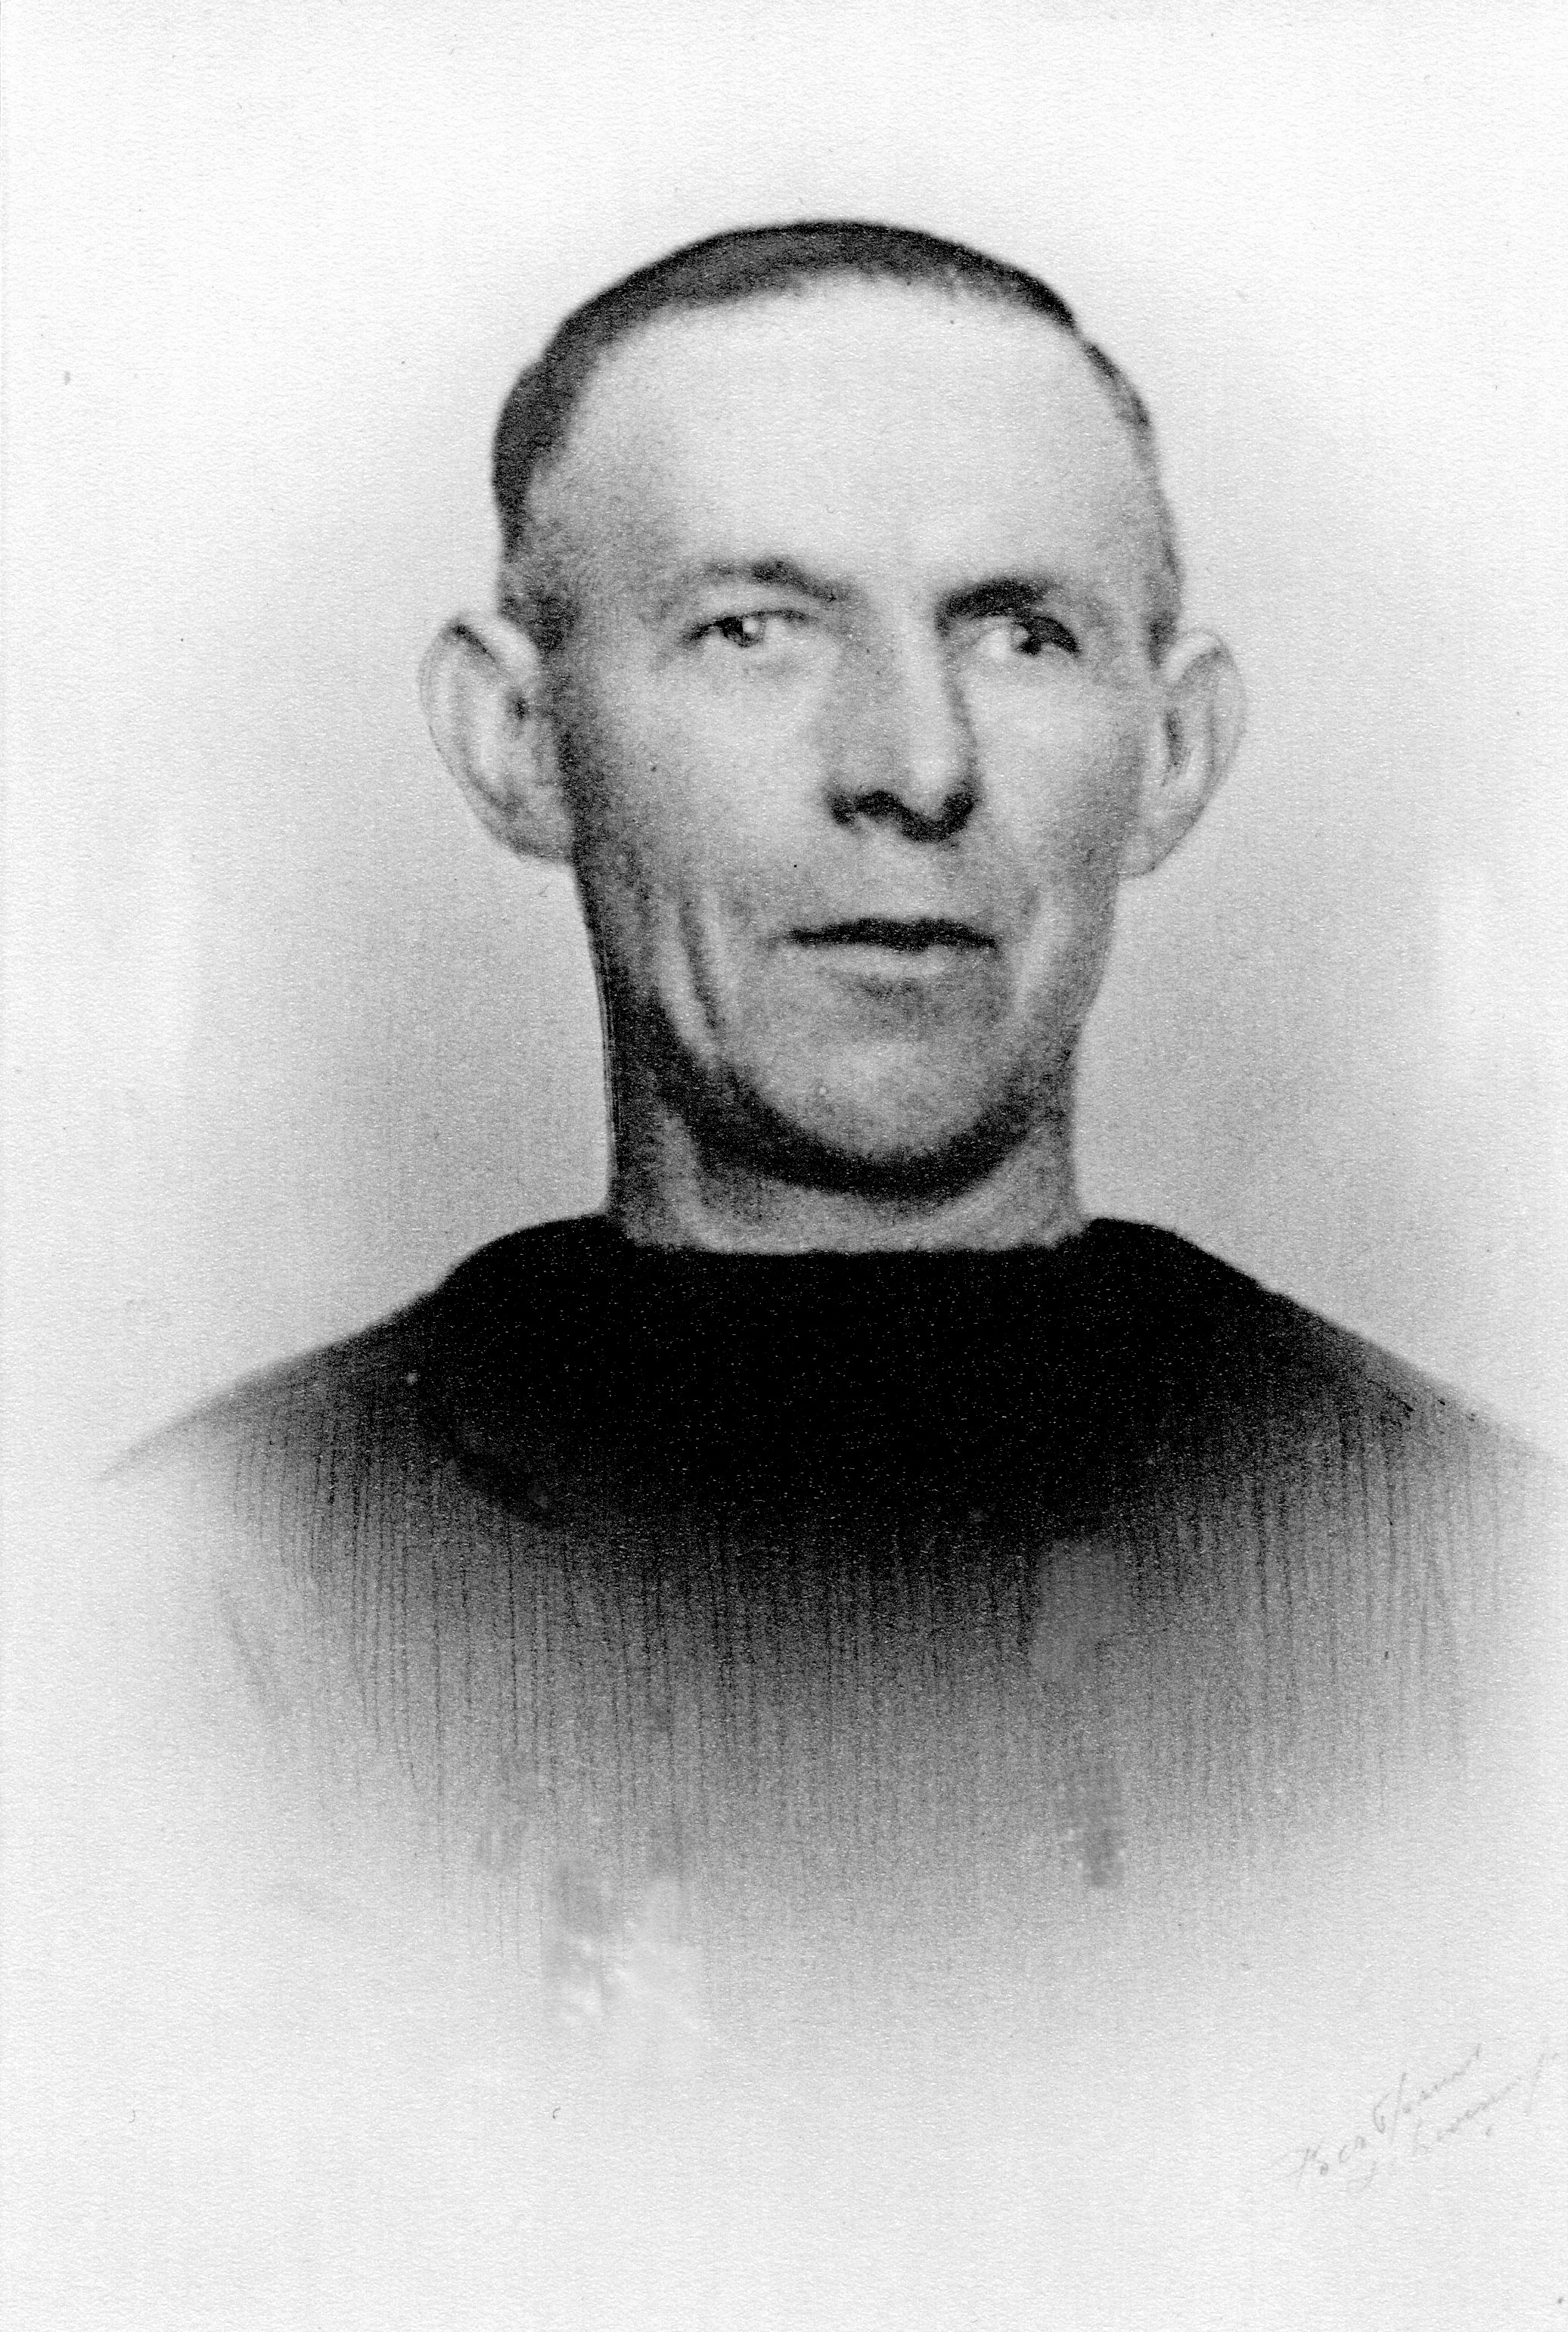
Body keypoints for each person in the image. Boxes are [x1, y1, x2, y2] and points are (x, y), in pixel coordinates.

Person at [117, 211, 1556, 2092]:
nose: (912, 766)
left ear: (1175, 749)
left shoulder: (1481, 1596)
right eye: (752, 632)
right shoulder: (185, 1612)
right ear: (518, 738)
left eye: (1019, 633)